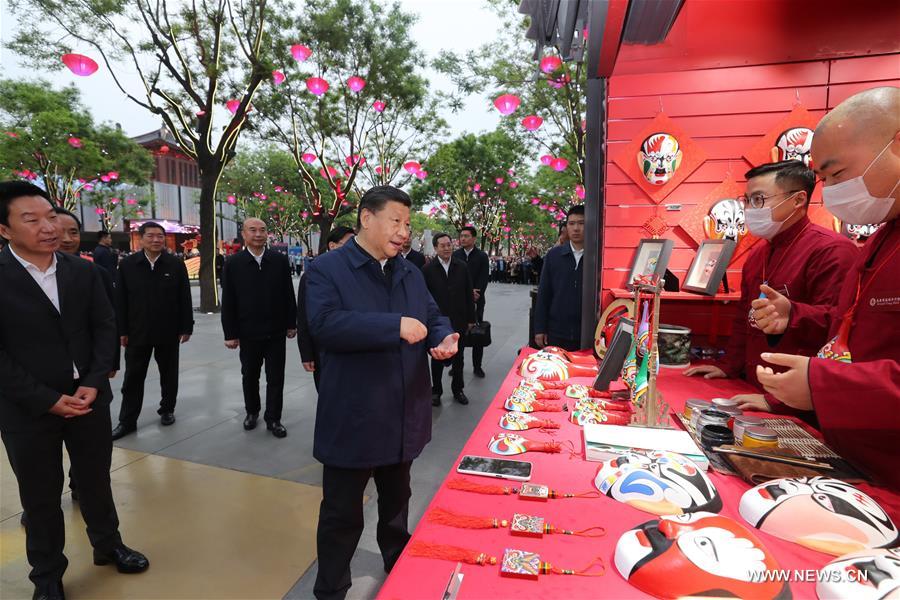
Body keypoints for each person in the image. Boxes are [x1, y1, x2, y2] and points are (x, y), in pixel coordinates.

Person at [305, 186, 457, 600]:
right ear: (366, 218)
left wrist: (444, 336)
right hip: (355, 413)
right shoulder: (327, 269)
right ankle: (331, 586)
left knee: (397, 501)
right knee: (341, 513)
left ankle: (398, 559)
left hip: (403, 409)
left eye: (408, 224)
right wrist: (394, 327)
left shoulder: (408, 270)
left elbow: (431, 315)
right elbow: (325, 324)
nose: (404, 232)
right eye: (395, 221)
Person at [0, 182, 148, 600]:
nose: (48, 227)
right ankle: (47, 574)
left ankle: (108, 545)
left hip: (88, 399)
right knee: (41, 495)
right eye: (31, 220)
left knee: (96, 480)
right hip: (27, 409)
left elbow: (105, 328)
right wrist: (46, 399)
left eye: (50, 216)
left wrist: (93, 382)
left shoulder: (81, 270)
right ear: (5, 230)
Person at [750, 87, 900, 489]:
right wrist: (793, 315)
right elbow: (845, 330)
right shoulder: (878, 241)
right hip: (855, 460)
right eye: (824, 177)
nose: (831, 190)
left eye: (837, 174)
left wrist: (822, 385)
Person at [684, 161, 858, 417]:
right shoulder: (759, 254)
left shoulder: (831, 251)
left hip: (799, 403)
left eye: (759, 199)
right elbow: (745, 316)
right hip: (752, 389)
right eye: (747, 200)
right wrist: (728, 366)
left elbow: (839, 330)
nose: (749, 209)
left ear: (798, 200)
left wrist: (793, 314)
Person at [113, 222, 193, 440]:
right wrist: (121, 329)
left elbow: (184, 298)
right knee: (133, 378)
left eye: (160, 236)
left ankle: (167, 410)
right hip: (137, 332)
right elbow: (120, 300)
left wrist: (186, 327)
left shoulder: (175, 264)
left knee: (169, 374)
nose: (156, 240)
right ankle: (127, 420)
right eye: (151, 236)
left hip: (168, 331)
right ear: (141, 239)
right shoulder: (128, 265)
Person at [221, 218, 297, 438]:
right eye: (252, 230)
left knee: (276, 377)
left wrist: (292, 323)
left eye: (262, 230)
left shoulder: (279, 261)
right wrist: (230, 333)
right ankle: (252, 412)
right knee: (249, 375)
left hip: (276, 332)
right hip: (247, 332)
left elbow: (288, 295)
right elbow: (229, 301)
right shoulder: (233, 263)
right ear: (244, 234)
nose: (258, 234)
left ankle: (274, 418)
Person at [297, 225, 355, 391]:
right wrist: (307, 353)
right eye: (349, 242)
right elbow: (304, 316)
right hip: (324, 351)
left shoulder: (360, 273)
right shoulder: (314, 274)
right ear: (332, 245)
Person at [423, 232, 475, 407]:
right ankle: (436, 391)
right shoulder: (428, 270)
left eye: (449, 244)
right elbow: (424, 297)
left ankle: (458, 390)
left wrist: (471, 318)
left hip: (459, 320)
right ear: (436, 248)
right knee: (437, 358)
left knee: (459, 359)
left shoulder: (461, 266)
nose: (447, 248)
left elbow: (468, 293)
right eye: (443, 245)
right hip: (438, 323)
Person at [534, 205, 585, 351]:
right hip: (556, 331)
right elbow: (544, 294)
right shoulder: (554, 256)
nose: (576, 228)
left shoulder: (597, 257)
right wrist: (539, 328)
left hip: (587, 332)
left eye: (581, 223)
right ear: (566, 227)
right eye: (571, 223)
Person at [453, 226, 489, 377]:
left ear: (474, 238)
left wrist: (476, 293)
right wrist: (465, 292)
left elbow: (484, 278)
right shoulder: (455, 255)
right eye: (461, 236)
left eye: (466, 236)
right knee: (456, 334)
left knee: (477, 333)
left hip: (477, 300)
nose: (463, 239)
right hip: (458, 301)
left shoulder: (481, 256)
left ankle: (477, 366)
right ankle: (455, 365)